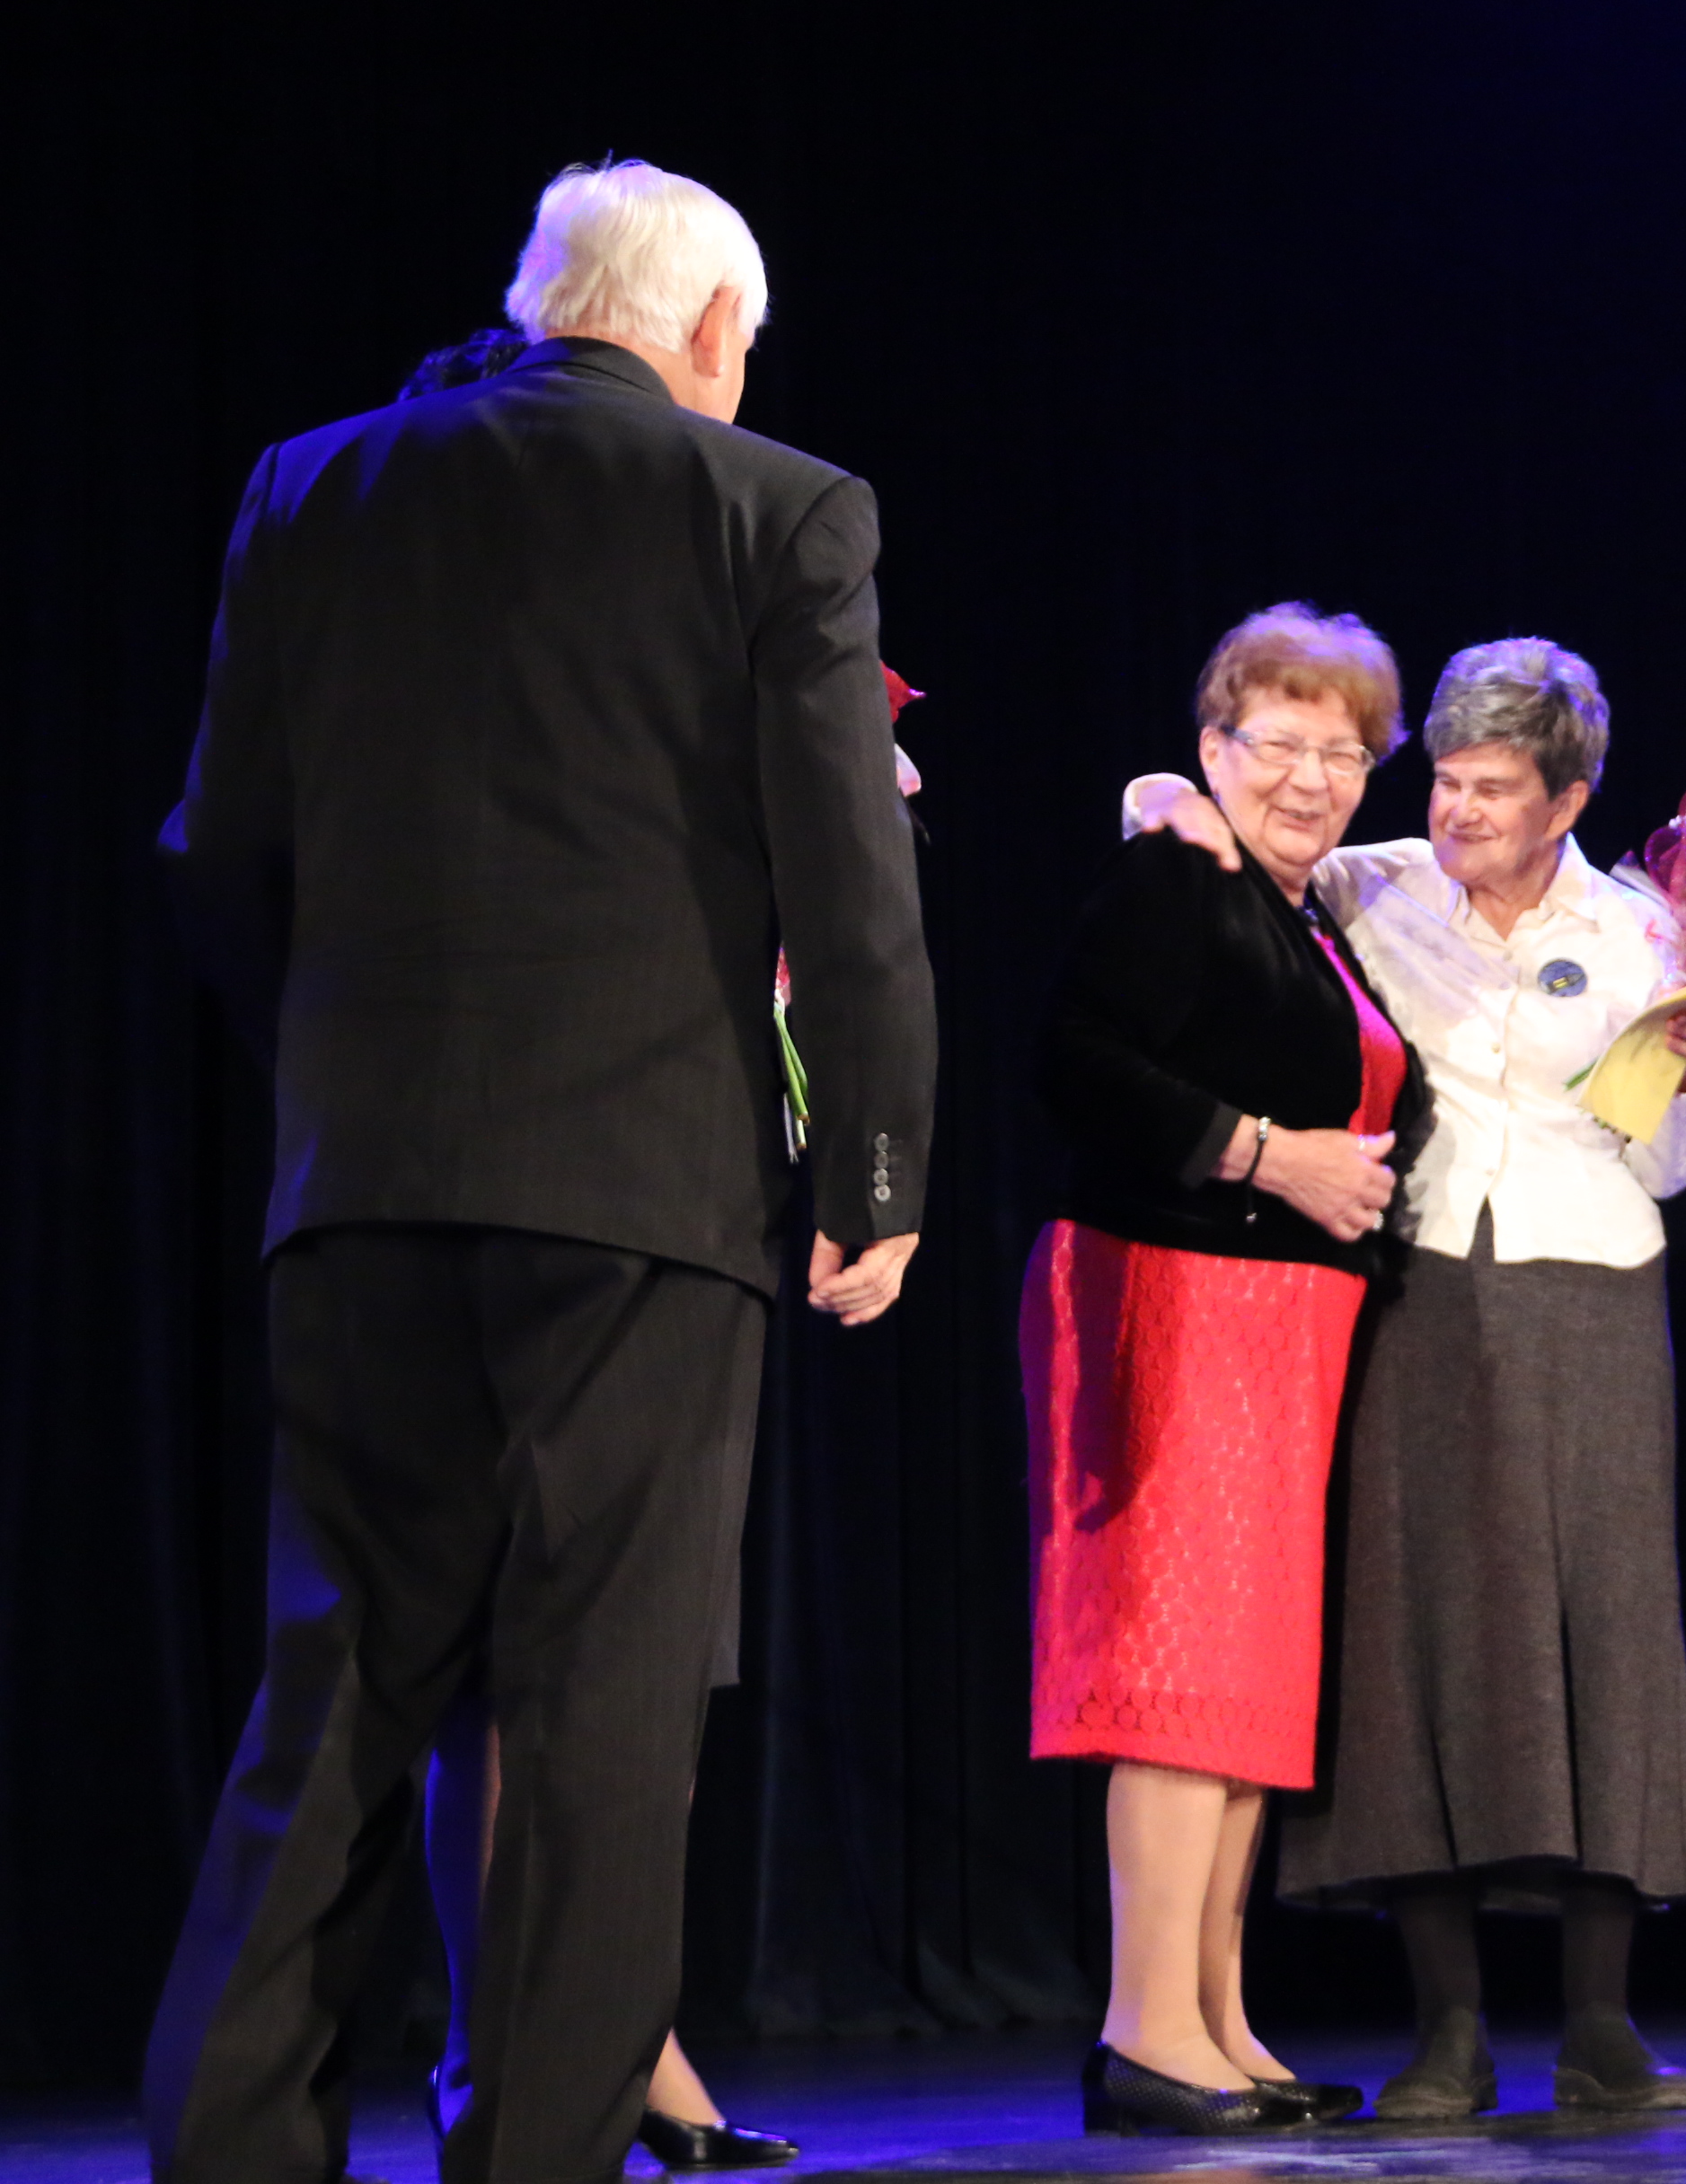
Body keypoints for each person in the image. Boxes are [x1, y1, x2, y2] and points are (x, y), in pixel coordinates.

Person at [147, 159, 933, 2184]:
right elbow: (850, 882)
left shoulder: (314, 483)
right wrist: (871, 1168)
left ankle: (230, 2151)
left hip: (362, 1180)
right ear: (713, 332)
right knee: (602, 1719)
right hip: (643, 1189)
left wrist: (338, 1078)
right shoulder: (779, 505)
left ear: (543, 299)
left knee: (332, 1690)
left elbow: (217, 851)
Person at [1130, 636, 1686, 2118]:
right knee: (1417, 1643)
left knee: (1607, 1639)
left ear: (1567, 800)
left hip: (1596, 1287)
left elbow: (1677, 1165)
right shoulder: (1366, 886)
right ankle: (1447, 2029)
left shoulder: (1646, 929)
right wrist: (1171, 802)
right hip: (1418, 1289)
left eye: (1494, 790)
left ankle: (1600, 2025)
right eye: (1447, 780)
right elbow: (1176, 807)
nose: (1457, 811)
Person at [387, 322, 804, 2174]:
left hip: (663, 1197)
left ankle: (627, 2039)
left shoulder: (679, 631)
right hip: (466, 1204)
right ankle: (496, 2047)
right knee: (490, 1673)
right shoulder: (413, 653)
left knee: (641, 1677)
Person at [1028, 603, 1430, 2136]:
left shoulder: (1307, 915)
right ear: (1211, 748)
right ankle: (1145, 2030)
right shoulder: (1177, 875)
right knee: (1176, 1670)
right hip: (1175, 1290)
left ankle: (1216, 2017)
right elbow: (1077, 1061)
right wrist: (1270, 1155)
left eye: (1345, 753)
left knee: (1248, 1687)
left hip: (1285, 1322)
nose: (1312, 779)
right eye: (1279, 744)